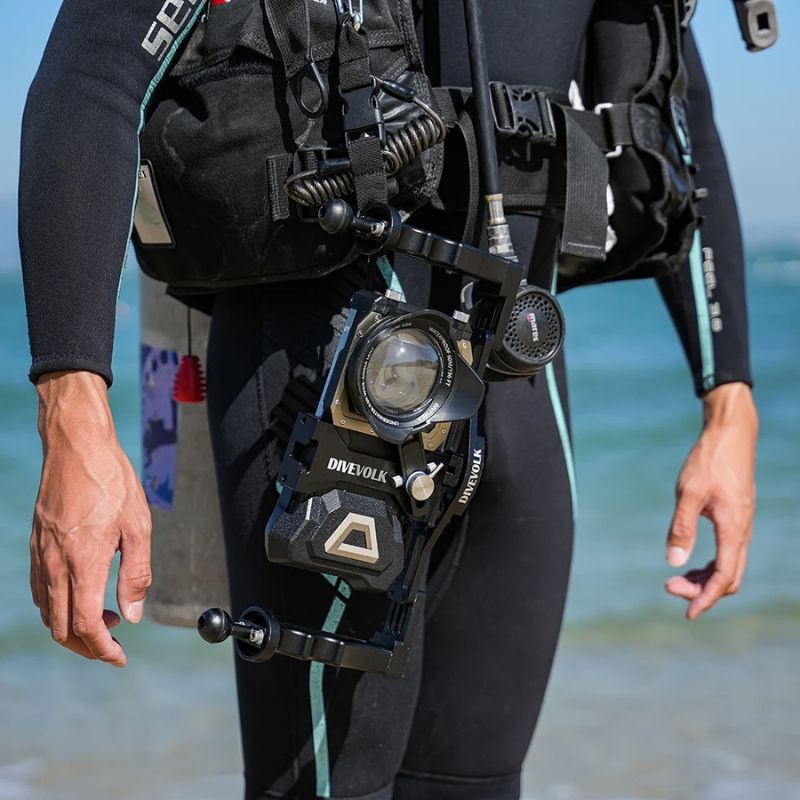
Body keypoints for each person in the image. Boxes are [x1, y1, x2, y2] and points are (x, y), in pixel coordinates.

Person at [20, 1, 758, 798]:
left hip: (524, 386)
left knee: (476, 783)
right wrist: (74, 418)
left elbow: (679, 117)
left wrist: (730, 403)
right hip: (320, 374)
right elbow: (94, 72)